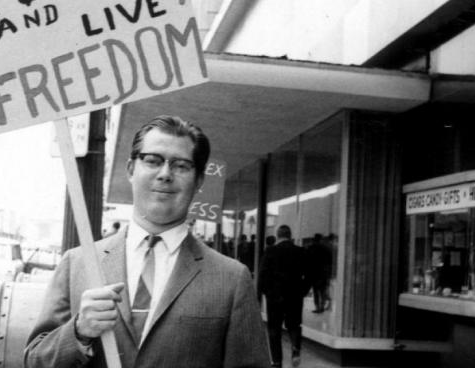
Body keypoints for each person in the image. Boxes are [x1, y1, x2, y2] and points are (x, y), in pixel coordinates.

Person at [25, 115, 270, 368]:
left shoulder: (231, 279)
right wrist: (78, 331)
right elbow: (35, 361)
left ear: (198, 181)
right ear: (131, 170)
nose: (165, 174)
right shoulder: (77, 263)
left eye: (181, 166)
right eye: (153, 161)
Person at [259, 225, 309, 368]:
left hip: (275, 298)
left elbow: (262, 275)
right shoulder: (300, 251)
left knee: (274, 329)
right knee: (294, 325)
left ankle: (277, 361)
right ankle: (295, 348)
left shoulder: (270, 251)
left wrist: (267, 292)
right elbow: (310, 274)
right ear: (290, 235)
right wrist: (302, 290)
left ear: (278, 235)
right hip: (295, 296)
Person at [307, 233, 332, 313]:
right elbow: (329, 262)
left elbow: (307, 261)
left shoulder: (311, 248)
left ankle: (317, 306)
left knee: (315, 291)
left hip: (314, 273)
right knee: (322, 291)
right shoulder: (326, 249)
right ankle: (321, 306)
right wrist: (329, 274)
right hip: (323, 273)